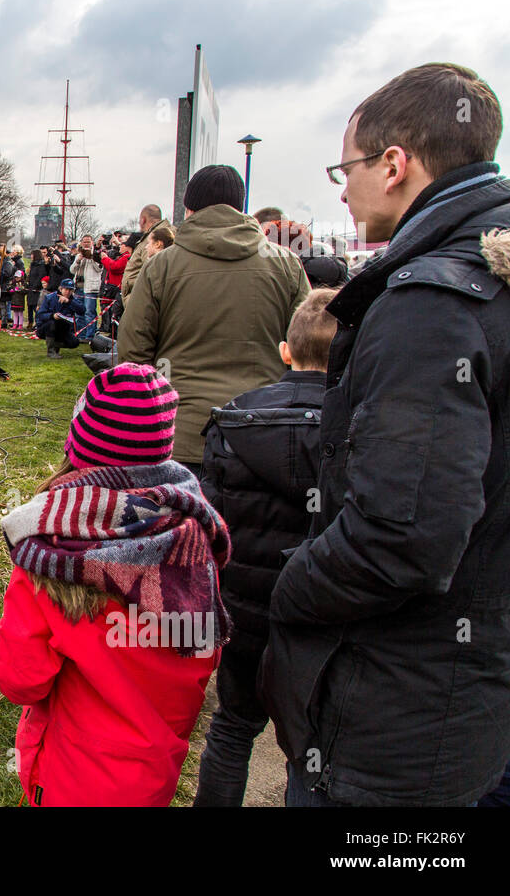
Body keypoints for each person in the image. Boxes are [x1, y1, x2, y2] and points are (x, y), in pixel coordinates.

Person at [261, 62, 510, 806]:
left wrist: (293, 586)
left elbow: (404, 533)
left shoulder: (432, 303)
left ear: (395, 164)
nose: (342, 189)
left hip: (399, 703)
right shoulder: (491, 280)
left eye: (348, 168)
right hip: (465, 681)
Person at [0, 363, 230, 806]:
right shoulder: (195, 541)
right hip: (153, 772)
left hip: (72, 776)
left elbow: (21, 680)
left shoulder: (51, 553)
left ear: (78, 448)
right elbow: (200, 656)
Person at [193, 288, 338, 807]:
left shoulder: (236, 419)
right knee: (316, 748)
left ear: (285, 351)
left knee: (232, 729)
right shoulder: (365, 426)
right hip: (321, 615)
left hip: (245, 610)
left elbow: (208, 524)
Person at [118, 164, 310, 474]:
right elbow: (308, 349)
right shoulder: (286, 264)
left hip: (180, 432)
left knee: (183, 522)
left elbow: (133, 351)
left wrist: (148, 413)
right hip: (263, 430)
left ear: (189, 208)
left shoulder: (162, 266)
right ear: (240, 207)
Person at [121, 205, 173, 301]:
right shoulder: (170, 232)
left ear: (143, 220)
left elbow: (154, 275)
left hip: (144, 301)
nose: (146, 246)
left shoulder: (155, 237)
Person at [34, 277, 87, 359]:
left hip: (63, 328)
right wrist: (52, 316)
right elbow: (40, 315)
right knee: (52, 324)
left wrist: (69, 302)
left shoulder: (73, 299)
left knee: (74, 343)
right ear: (60, 288)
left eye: (70, 290)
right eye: (66, 289)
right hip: (46, 327)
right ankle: (51, 351)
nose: (68, 292)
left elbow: (82, 310)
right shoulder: (50, 297)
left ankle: (54, 344)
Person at [71, 235, 104, 341]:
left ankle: (90, 336)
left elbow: (99, 269)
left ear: (92, 242)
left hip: (90, 288)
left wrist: (92, 257)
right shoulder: (79, 255)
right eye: (84, 242)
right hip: (78, 287)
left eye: (88, 242)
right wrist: (78, 260)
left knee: (89, 312)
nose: (86, 244)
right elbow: (72, 270)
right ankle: (81, 334)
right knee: (79, 312)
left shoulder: (96, 254)